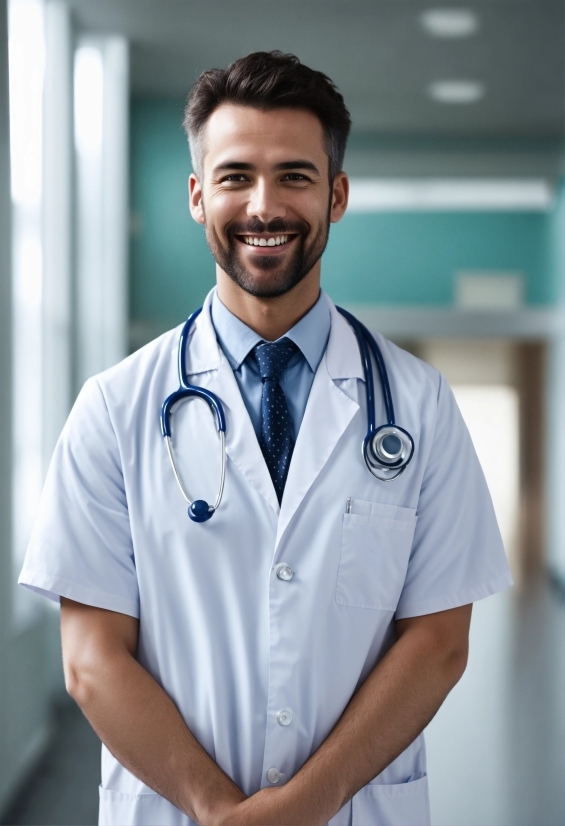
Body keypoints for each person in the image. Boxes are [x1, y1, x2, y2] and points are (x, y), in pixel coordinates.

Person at [20, 51, 512, 826]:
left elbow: (438, 641)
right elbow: (90, 659)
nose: (263, 205)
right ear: (195, 195)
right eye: (234, 176)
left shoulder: (418, 405)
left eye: (293, 176)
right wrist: (218, 812)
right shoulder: (114, 408)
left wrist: (304, 806)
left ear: (336, 194)